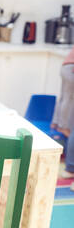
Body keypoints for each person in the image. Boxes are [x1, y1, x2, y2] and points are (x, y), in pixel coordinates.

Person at [51, 47, 74, 179]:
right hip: (72, 68)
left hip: (67, 66)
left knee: (65, 98)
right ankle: (64, 126)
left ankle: (58, 124)